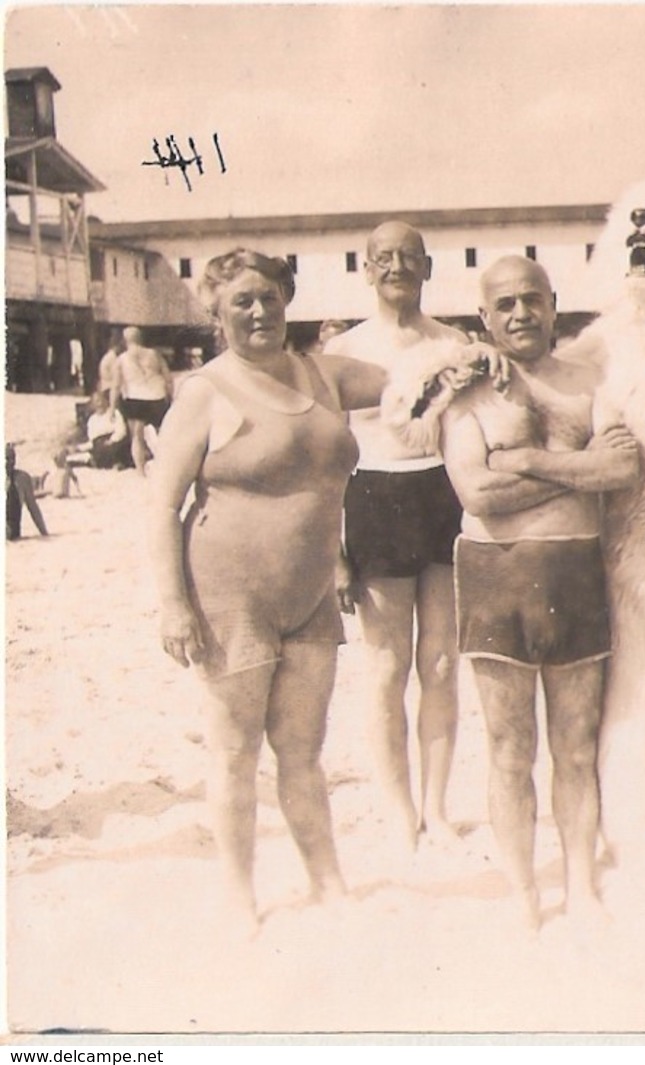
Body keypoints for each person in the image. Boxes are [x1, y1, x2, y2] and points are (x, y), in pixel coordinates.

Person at [149, 248, 392, 934]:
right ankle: (238, 894)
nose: (258, 312)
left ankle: (327, 881)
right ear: (217, 314)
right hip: (230, 598)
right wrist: (172, 603)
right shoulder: (206, 391)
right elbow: (161, 504)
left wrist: (473, 356)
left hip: (310, 593)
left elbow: (413, 374)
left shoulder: (324, 373)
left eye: (268, 297)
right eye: (241, 303)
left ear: (288, 297)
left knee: (303, 750)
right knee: (234, 752)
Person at [439, 255, 639, 929]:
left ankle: (580, 883)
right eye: (505, 304)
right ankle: (524, 889)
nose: (520, 313)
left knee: (576, 743)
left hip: (576, 570)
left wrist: (524, 460)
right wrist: (576, 469)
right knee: (508, 745)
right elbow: (478, 493)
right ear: (484, 317)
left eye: (532, 300)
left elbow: (621, 467)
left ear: (554, 305)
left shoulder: (591, 382)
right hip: (496, 575)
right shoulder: (466, 391)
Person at [323, 223, 467, 851]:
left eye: (410, 257)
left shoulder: (454, 343)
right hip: (374, 495)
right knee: (387, 666)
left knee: (439, 662)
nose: (397, 267)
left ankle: (435, 809)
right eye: (385, 258)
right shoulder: (342, 352)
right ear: (366, 269)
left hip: (443, 493)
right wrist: (333, 554)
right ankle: (396, 811)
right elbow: (324, 458)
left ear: (428, 268)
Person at [112, 327, 174, 475]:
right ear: (141, 338)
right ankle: (165, 467)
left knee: (137, 436)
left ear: (125, 340)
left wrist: (112, 408)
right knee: (162, 434)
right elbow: (168, 378)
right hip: (156, 396)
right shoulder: (154, 354)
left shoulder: (121, 359)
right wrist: (170, 397)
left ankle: (140, 472)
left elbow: (115, 385)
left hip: (134, 398)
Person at [6, 443, 48, 540]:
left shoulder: (21, 479)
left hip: (11, 533)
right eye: (6, 458)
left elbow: (33, 508)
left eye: (12, 458)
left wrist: (44, 532)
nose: (10, 462)